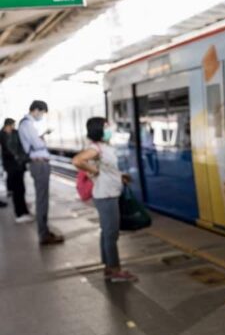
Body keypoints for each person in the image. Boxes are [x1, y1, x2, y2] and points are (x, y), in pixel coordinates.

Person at [72, 117, 137, 283]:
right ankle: (115, 271)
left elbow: (107, 168)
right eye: (106, 126)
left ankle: (109, 267)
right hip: (105, 195)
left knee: (107, 232)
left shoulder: (104, 147)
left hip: (109, 192)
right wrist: (92, 170)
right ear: (98, 129)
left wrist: (120, 176)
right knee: (111, 233)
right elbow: (77, 160)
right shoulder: (95, 148)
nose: (110, 129)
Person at [18, 100, 63, 245]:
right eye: (42, 112)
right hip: (39, 164)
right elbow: (37, 144)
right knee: (42, 199)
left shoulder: (27, 124)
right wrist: (42, 141)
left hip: (38, 163)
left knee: (42, 198)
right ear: (36, 110)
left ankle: (44, 231)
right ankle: (43, 234)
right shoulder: (27, 124)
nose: (42, 116)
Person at [0, 118, 32, 223]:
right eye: (12, 125)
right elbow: (9, 150)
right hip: (11, 166)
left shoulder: (16, 133)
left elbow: (21, 146)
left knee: (21, 189)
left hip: (19, 165)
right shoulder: (1, 135)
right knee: (17, 190)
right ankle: (19, 214)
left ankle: (24, 211)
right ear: (7, 125)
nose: (13, 127)